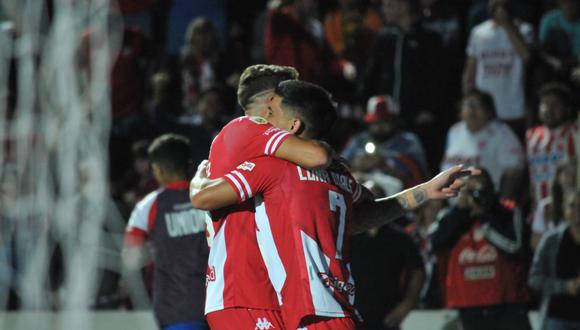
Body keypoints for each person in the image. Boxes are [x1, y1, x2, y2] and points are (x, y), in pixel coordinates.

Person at [191, 80, 478, 329]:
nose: (265, 118)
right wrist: (425, 191)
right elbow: (366, 214)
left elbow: (202, 198)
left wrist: (199, 177)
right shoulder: (341, 176)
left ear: (293, 125)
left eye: (273, 109)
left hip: (311, 310)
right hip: (338, 306)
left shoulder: (272, 168)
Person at [198, 65, 334, 329]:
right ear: (271, 99)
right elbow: (318, 156)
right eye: (289, 94)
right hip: (245, 290)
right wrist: (332, 153)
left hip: (258, 292)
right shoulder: (250, 127)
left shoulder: (252, 145)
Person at [122, 134, 209, 330]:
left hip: (175, 309)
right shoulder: (210, 198)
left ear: (158, 169)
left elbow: (131, 257)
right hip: (216, 303)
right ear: (188, 164)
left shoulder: (148, 206)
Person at [429, 168, 531, 330]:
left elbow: (516, 249)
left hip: (506, 304)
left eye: (479, 189)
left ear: (491, 188)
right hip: (468, 305)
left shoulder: (507, 211)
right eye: (468, 189)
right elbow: (436, 245)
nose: (474, 195)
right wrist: (460, 212)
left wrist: (485, 216)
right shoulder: (453, 217)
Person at [462, 0, 533, 138]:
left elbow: (526, 56)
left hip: (514, 108)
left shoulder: (525, 29)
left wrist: (507, 26)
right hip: (485, 111)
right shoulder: (478, 33)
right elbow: (470, 71)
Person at [440, 89, 525, 199]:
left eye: (477, 105)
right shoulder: (454, 131)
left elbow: (514, 172)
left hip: (487, 203)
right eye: (468, 105)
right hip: (454, 202)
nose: (472, 110)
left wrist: (504, 202)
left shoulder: (501, 133)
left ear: (489, 111)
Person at [528, 190, 580, 330]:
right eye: (572, 206)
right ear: (564, 208)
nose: (577, 212)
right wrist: (565, 286)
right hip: (556, 318)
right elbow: (534, 279)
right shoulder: (551, 241)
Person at [526, 82, 576, 208]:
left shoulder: (575, 133)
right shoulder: (531, 135)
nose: (548, 109)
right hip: (539, 209)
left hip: (568, 209)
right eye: (545, 104)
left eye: (555, 104)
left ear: (566, 108)